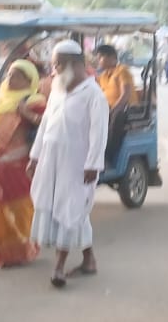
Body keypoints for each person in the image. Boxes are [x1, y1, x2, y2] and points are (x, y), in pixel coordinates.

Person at [30, 40, 109, 288]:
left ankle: (59, 267)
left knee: (68, 211)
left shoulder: (94, 95)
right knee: (74, 212)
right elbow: (45, 125)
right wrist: (34, 156)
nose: (53, 70)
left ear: (75, 65)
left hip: (77, 165)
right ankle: (89, 260)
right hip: (51, 162)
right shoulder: (57, 91)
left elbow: (99, 133)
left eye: (58, 65)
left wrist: (93, 164)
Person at [0, 60, 45, 268]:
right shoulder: (0, 101)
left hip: (17, 165)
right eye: (9, 75)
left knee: (20, 207)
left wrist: (27, 114)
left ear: (29, 80)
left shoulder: (34, 100)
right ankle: (2, 252)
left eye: (17, 75)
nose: (10, 78)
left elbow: (47, 125)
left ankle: (23, 251)